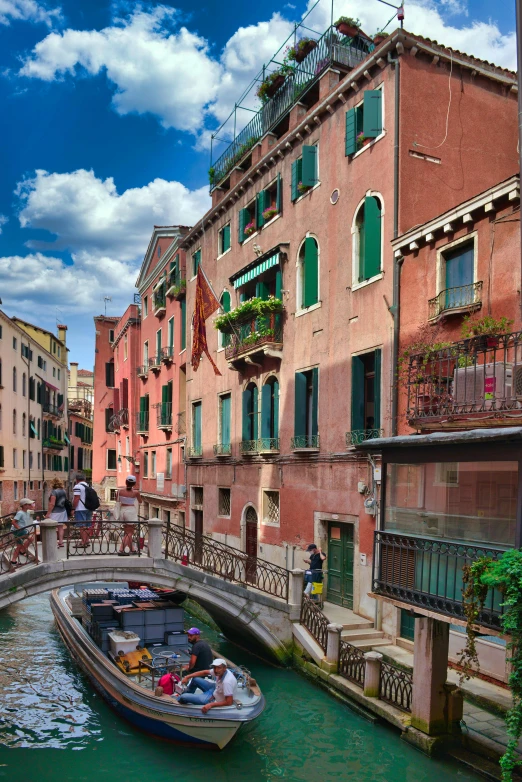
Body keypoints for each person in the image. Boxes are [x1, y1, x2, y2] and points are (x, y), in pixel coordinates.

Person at [116, 475, 141, 556]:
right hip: (130, 511)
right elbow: (140, 501)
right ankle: (121, 549)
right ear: (134, 483)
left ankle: (132, 549)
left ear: (126, 482)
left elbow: (117, 500)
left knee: (127, 531)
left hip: (122, 510)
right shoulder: (136, 492)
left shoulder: (119, 491)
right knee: (130, 532)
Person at [10, 498, 36, 568]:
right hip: (17, 531)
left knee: (28, 540)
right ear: (24, 505)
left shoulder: (27, 512)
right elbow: (13, 522)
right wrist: (19, 528)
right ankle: (19, 554)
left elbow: (29, 520)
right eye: (29, 504)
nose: (31, 505)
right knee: (29, 539)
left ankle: (19, 554)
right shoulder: (20, 513)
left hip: (22, 530)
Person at [46, 477, 68, 547]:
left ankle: (54, 542)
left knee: (53, 527)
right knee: (60, 527)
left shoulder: (54, 492)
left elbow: (52, 503)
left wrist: (48, 513)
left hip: (55, 512)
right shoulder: (64, 491)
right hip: (63, 511)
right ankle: (61, 542)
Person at [73, 474, 92, 548]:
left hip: (80, 508)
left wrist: (73, 508)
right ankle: (87, 541)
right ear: (84, 479)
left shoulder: (77, 486)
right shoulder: (89, 486)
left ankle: (83, 543)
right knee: (87, 526)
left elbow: (76, 498)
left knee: (82, 526)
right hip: (89, 508)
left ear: (77, 480)